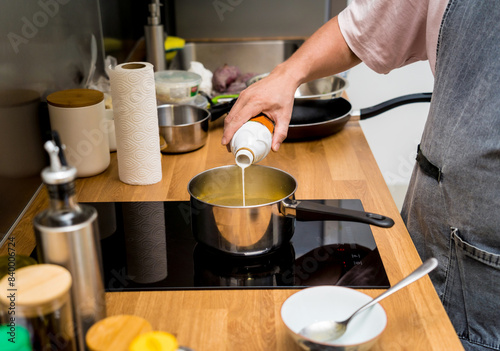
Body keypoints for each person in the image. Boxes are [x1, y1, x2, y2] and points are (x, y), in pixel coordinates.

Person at [221, 0, 500, 350]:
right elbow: (363, 25)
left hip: (490, 259)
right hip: (431, 212)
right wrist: (286, 76)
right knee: (408, 326)